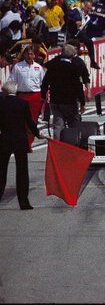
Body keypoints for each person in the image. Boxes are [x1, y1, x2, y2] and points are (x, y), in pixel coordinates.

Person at [0, 80, 43, 210]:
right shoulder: (23, 103)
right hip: (20, 140)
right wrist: (37, 134)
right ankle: (23, 202)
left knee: (1, 171)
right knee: (22, 172)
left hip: (4, 138)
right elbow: (29, 122)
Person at [41, 44, 86, 141]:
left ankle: (57, 146)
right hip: (69, 101)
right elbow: (78, 87)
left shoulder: (53, 67)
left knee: (58, 125)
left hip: (55, 99)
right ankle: (74, 144)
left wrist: (43, 96)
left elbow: (45, 82)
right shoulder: (74, 68)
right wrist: (82, 102)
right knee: (73, 124)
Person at [9, 46, 45, 149]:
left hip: (35, 96)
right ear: (24, 55)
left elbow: (43, 84)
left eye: (31, 54)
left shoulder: (38, 67)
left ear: (34, 55)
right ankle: (20, 143)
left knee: (32, 121)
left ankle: (28, 144)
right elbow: (12, 81)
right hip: (21, 96)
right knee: (20, 121)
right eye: (27, 54)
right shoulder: (18, 67)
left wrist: (44, 98)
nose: (29, 56)